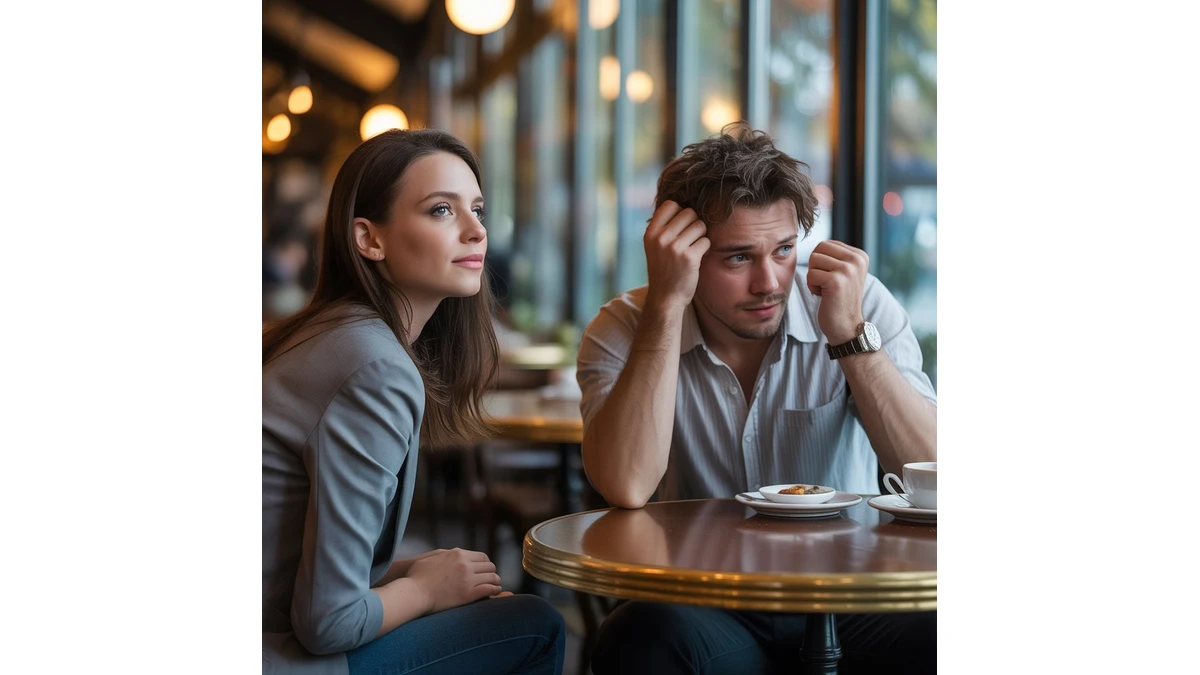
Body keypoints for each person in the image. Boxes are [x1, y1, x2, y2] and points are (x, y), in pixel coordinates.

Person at [575, 123, 937, 675]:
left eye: (785, 250)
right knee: (639, 638)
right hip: (710, 606)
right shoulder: (625, 327)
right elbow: (624, 483)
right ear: (682, 253)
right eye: (738, 258)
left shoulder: (855, 304)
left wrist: (850, 341)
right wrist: (667, 306)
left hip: (853, 599)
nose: (769, 282)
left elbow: (933, 474)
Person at [263, 129, 566, 675]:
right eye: (442, 210)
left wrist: (416, 575)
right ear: (369, 239)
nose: (477, 231)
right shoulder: (373, 366)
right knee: (535, 625)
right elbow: (326, 621)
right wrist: (425, 591)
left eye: (477, 209)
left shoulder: (335, 334)